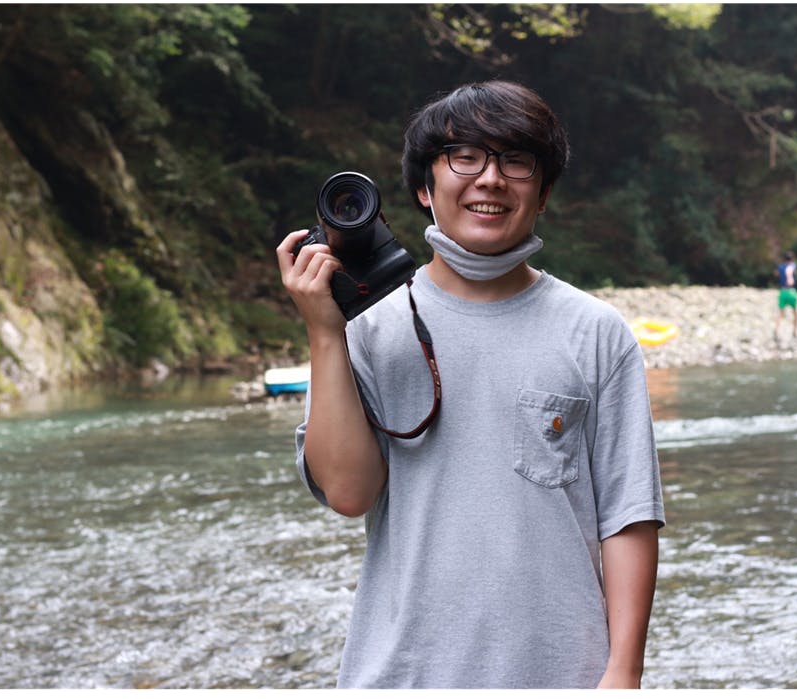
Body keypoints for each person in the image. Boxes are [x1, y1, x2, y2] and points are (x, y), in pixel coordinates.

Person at [276, 81, 665, 689]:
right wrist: (325, 333)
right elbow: (349, 494)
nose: (490, 179)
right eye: (465, 157)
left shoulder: (596, 332)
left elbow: (628, 516)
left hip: (562, 675)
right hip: (402, 676)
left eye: (516, 161)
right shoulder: (369, 328)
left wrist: (624, 673)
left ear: (543, 193)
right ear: (424, 188)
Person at [774, 251, 797, 341]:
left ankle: (776, 330)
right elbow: (794, 272)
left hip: (783, 291)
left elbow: (776, 274)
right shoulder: (793, 266)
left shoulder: (781, 267)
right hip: (792, 291)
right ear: (792, 259)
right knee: (795, 312)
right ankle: (794, 332)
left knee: (780, 312)